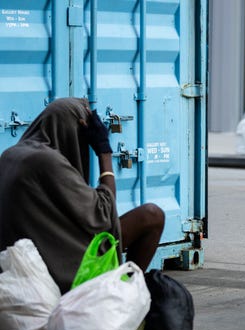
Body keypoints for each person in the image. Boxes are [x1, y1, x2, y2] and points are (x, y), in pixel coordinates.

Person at [0, 97, 165, 293]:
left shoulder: (11, 154)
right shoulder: (47, 161)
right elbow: (103, 214)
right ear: (70, 130)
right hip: (55, 264)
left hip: (24, 258)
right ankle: (126, 292)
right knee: (152, 215)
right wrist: (104, 152)